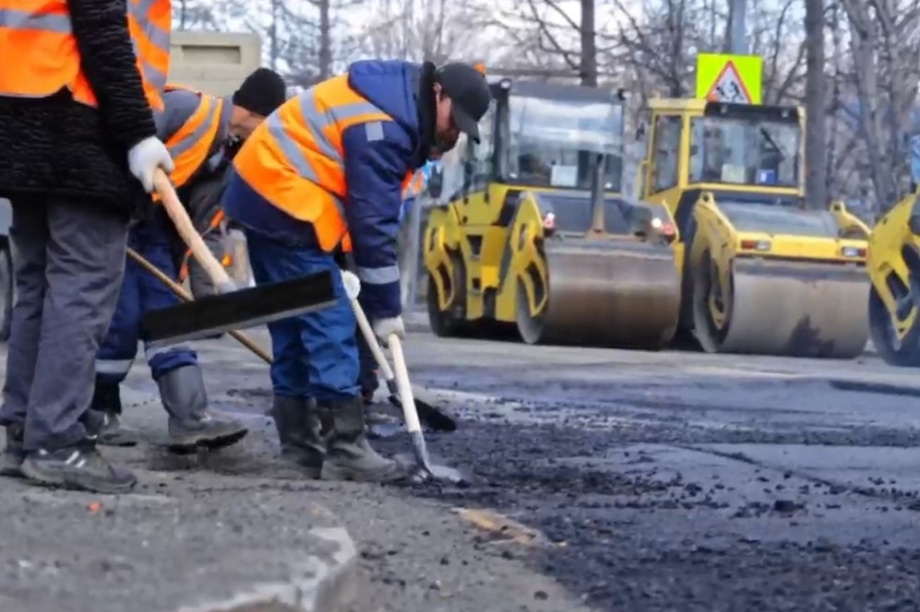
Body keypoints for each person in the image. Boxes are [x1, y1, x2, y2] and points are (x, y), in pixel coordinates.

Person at [222, 60, 490, 482]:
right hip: (285, 202)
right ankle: (346, 448)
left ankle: (299, 452)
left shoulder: (391, 105)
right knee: (329, 322)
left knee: (292, 327)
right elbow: (372, 225)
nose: (454, 132)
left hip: (264, 195)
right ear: (438, 93)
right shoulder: (384, 125)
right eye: (453, 121)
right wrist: (386, 309)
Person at [0, 0, 174, 493]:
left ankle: (25, 431)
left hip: (23, 111)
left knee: (40, 280)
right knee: (83, 282)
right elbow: (101, 24)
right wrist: (137, 132)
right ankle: (56, 441)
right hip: (77, 116)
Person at [89, 68, 288, 452]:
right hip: (119, 221)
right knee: (122, 319)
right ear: (254, 114)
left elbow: (205, 231)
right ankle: (96, 413)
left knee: (169, 320)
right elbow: (114, 142)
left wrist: (210, 298)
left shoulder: (229, 160)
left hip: (157, 235)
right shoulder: (185, 108)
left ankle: (189, 419)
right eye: (268, 125)